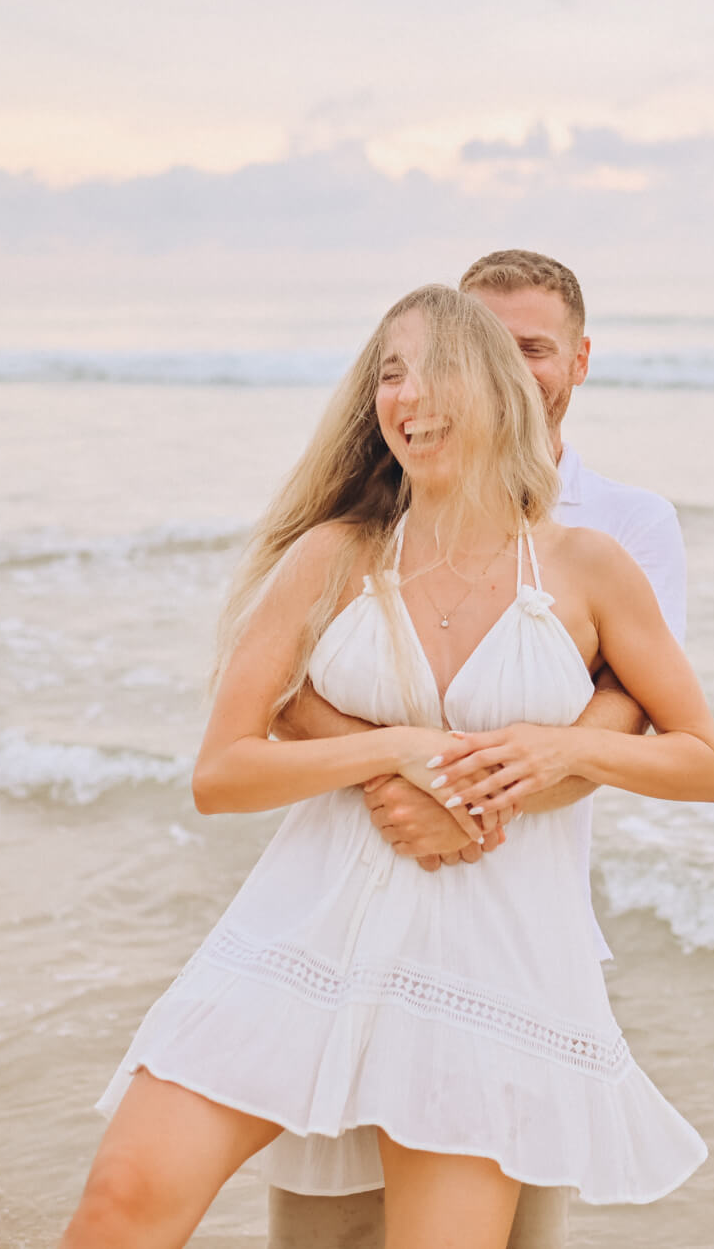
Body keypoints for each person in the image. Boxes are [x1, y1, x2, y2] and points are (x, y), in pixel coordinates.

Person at [60, 284, 714, 1249]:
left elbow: (703, 760)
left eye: (436, 369)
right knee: (121, 1202)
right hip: (305, 926)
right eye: (389, 372)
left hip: (492, 956)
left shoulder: (591, 563)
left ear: (500, 387)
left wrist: (564, 748)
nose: (409, 396)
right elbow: (222, 773)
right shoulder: (335, 554)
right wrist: (392, 751)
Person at [267, 250, 685, 1249]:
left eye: (531, 347)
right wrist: (395, 765)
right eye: (479, 344)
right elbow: (285, 690)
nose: (504, 367)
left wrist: (488, 794)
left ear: (579, 360)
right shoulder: (381, 498)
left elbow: (632, 699)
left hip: (518, 919)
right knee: (324, 1226)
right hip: (357, 907)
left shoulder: (622, 524)